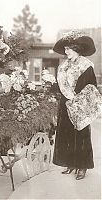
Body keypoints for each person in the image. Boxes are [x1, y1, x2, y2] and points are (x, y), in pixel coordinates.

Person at [52, 30, 99, 180]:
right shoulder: (63, 66)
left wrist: (76, 99)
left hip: (80, 105)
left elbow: (91, 87)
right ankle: (70, 163)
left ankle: (82, 166)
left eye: (69, 49)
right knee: (66, 133)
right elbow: (60, 86)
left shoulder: (86, 66)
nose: (66, 52)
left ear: (77, 49)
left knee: (81, 136)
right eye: (65, 49)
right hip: (65, 105)